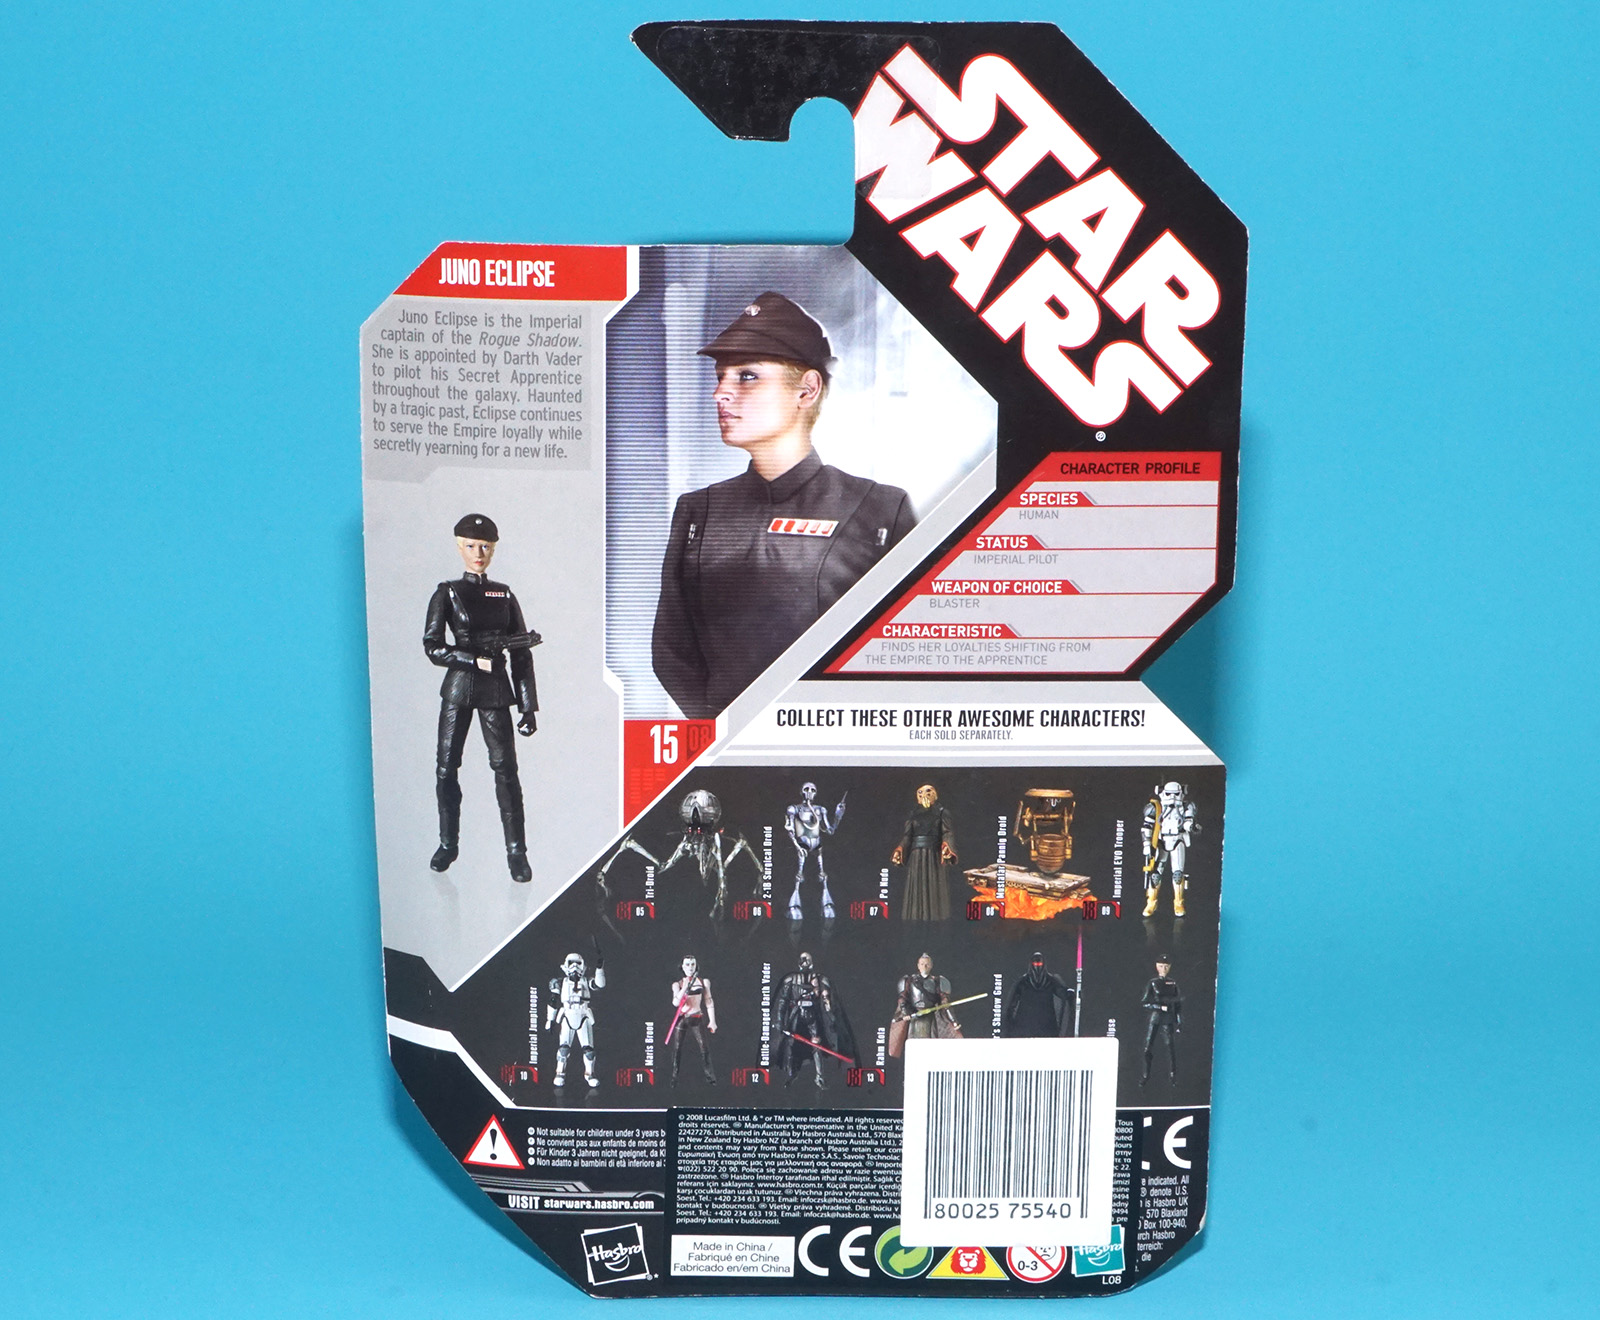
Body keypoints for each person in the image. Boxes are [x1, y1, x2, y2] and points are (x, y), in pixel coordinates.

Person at [652, 292, 917, 719]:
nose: (720, 393)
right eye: (720, 377)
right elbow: (671, 650)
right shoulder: (698, 511)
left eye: (747, 376)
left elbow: (902, 651)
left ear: (807, 390)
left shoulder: (881, 509)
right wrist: (724, 730)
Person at [422, 514, 539, 882]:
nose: (479, 553)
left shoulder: (503, 594)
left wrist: (528, 706)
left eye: (485, 546)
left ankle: (516, 852)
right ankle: (448, 843)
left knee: (506, 770)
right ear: (460, 547)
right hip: (459, 687)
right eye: (471, 546)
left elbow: (521, 653)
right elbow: (433, 646)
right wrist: (472, 660)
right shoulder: (448, 592)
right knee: (446, 767)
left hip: (496, 691)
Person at [775, 952, 857, 1089]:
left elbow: (827, 1001)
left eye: (807, 960)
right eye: (803, 960)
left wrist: (831, 1017)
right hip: (796, 1015)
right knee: (791, 1044)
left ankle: (819, 1077)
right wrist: (780, 1020)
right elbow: (783, 1001)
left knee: (816, 1044)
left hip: (813, 1016)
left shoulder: (820, 979)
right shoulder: (791, 980)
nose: (805, 963)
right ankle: (792, 1073)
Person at [891, 784, 958, 921]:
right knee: (917, 887)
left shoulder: (942, 813)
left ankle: (936, 918)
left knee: (934, 885)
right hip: (917, 855)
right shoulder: (913, 815)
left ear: (935, 795)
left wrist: (947, 846)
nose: (924, 795)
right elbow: (907, 836)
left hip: (933, 854)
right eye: (920, 792)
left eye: (928, 791)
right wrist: (900, 850)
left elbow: (947, 832)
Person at [889, 952, 962, 1057]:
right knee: (913, 1044)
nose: (924, 966)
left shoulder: (937, 982)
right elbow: (903, 1000)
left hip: (930, 1017)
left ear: (931, 966)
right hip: (915, 1017)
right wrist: (905, 1013)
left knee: (931, 1044)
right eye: (922, 964)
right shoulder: (909, 981)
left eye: (927, 964)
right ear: (918, 965)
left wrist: (953, 1020)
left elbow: (945, 1004)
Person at [667, 956, 717, 1085]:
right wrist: (684, 988)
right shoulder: (677, 984)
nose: (690, 967)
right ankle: (674, 1077)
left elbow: (708, 1001)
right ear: (683, 967)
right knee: (677, 1047)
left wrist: (712, 1021)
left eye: (693, 964)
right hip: (682, 1018)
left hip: (696, 1017)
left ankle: (710, 1078)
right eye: (687, 965)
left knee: (704, 1047)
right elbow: (675, 1002)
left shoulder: (703, 982)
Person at [1004, 951, 1074, 1037]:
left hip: (1047, 1026)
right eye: (1035, 963)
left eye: (1039, 963)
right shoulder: (1023, 983)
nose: (1037, 967)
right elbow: (1011, 1005)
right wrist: (1009, 1026)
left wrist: (1069, 994)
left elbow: (1062, 994)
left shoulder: (1051, 981)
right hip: (1025, 1025)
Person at [1140, 958, 1183, 1086]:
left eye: (1166, 966)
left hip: (1168, 1018)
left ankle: (1173, 1075)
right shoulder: (1153, 983)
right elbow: (1145, 1002)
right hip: (1156, 1017)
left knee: (1170, 1047)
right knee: (1148, 1047)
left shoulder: (1173, 983)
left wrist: (1179, 1021)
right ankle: (1145, 1075)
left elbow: (1178, 1003)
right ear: (1157, 967)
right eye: (1161, 966)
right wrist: (1159, 1007)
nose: (1163, 969)